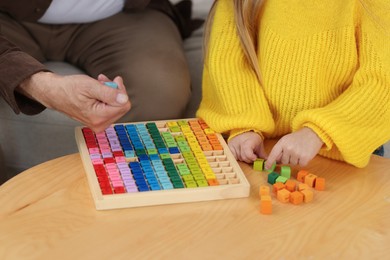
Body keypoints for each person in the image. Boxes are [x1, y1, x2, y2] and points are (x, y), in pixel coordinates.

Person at [196, 0, 390, 169]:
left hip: (340, 147)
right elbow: (227, 62)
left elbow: (382, 82)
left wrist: (319, 132)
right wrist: (243, 125)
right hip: (262, 146)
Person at [0, 0, 202, 133]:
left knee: (161, 91)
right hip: (8, 18)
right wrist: (39, 85)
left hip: (120, 14)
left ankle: (119, 187)